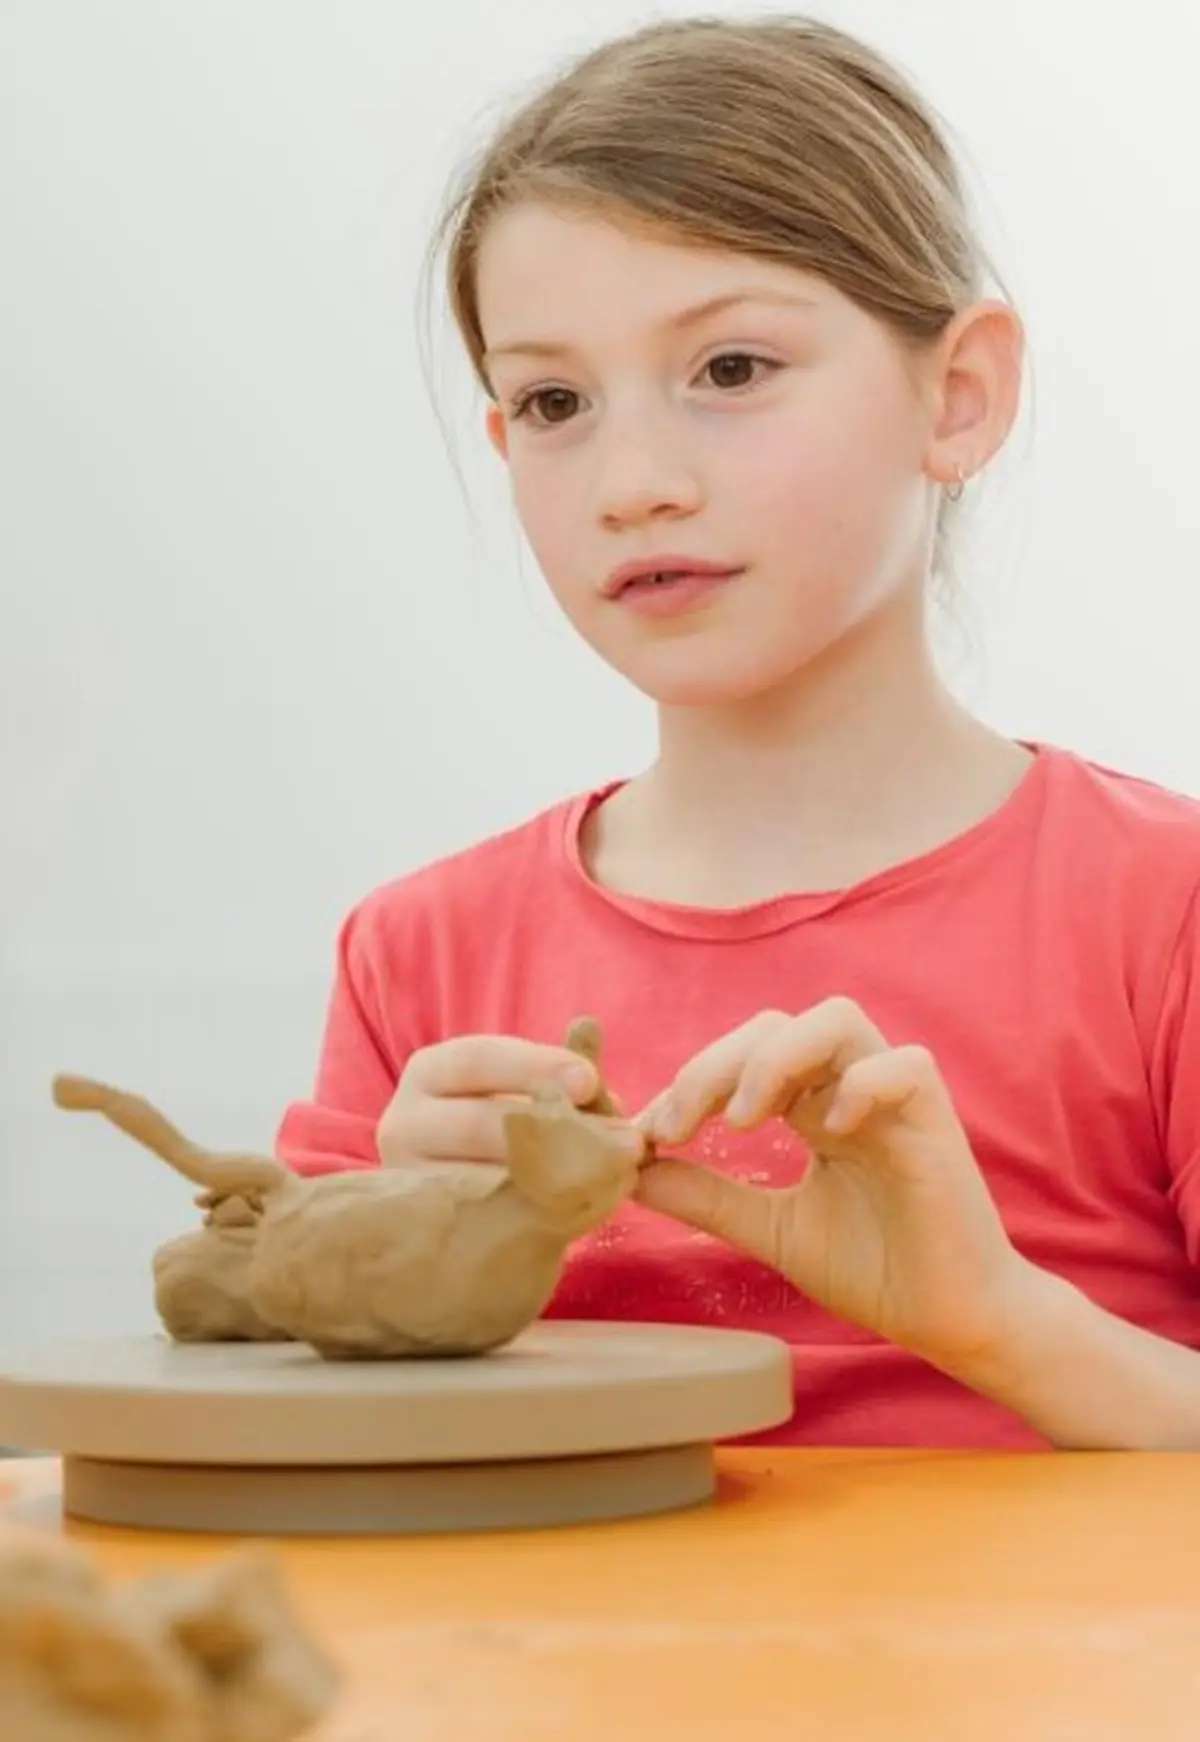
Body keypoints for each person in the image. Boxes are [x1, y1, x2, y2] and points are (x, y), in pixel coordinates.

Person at [276, 15, 1200, 1452]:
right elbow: (279, 1452)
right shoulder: (418, 957)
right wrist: (395, 1269)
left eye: (731, 370)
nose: (634, 481)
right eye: (556, 401)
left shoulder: (1166, 910)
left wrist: (991, 1315)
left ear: (956, 396)